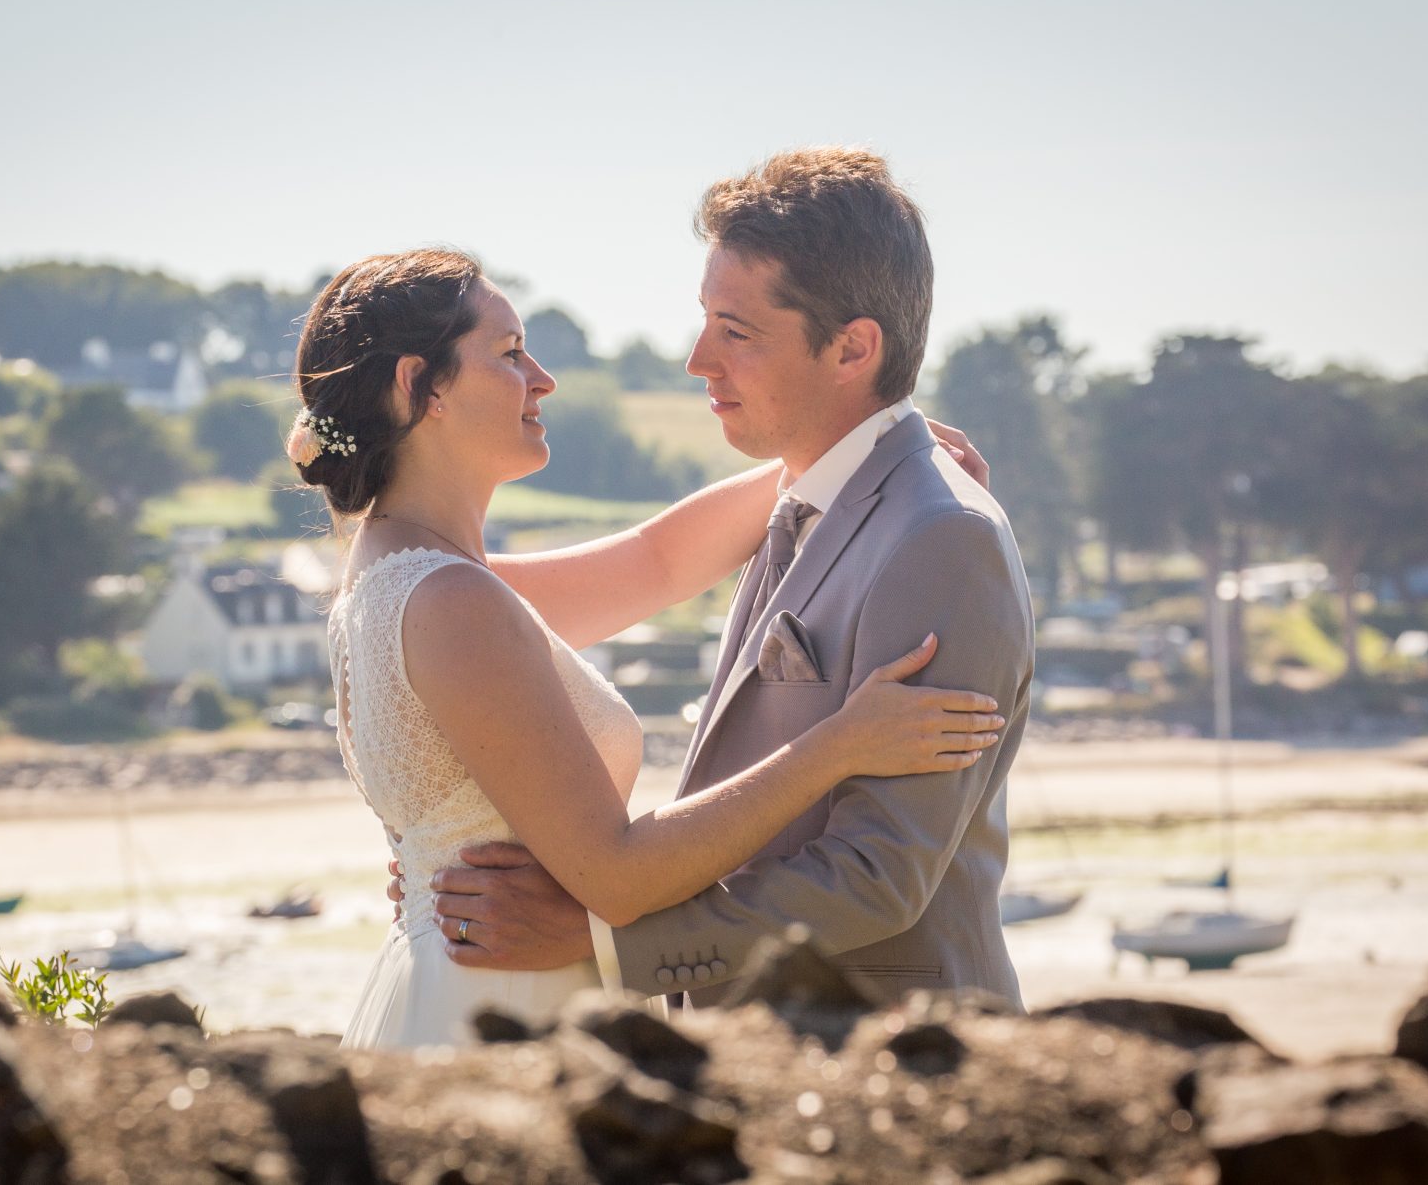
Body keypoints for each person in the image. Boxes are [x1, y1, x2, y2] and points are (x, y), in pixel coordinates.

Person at [291, 246, 1004, 1048]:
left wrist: (864, 454)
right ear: (419, 387)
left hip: (469, 978)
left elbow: (653, 561)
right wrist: (838, 745)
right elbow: (618, 875)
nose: (543, 376)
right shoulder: (454, 603)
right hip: (505, 1002)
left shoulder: (403, 576)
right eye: (509, 351)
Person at [421, 147, 1036, 1012]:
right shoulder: (806, 496)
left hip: (887, 1065)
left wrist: (607, 947)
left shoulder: (943, 538)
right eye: (705, 319)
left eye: (735, 331)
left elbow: (875, 877)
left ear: (854, 348)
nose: (698, 360)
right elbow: (646, 562)